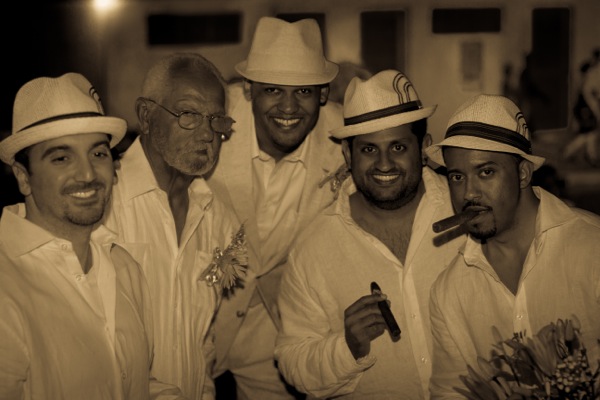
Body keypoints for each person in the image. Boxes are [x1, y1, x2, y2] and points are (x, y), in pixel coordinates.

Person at [274, 70, 466, 399]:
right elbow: (293, 362)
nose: (384, 164)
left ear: (424, 148)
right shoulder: (313, 249)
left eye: (398, 146)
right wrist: (348, 346)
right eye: (368, 150)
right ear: (348, 155)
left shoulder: (466, 215)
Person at [0, 72, 186, 398]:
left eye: (98, 154)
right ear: (23, 177)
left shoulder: (124, 267)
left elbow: (135, 382)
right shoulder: (7, 284)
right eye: (61, 158)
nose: (87, 174)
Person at [424, 94, 600, 398]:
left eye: (486, 172)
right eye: (457, 176)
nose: (469, 193)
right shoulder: (449, 293)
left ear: (523, 173)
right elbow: (449, 392)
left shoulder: (592, 248)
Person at [205, 16, 345, 400]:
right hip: (196, 310)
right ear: (248, 90)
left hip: (272, 323)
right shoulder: (211, 121)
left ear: (323, 94)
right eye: (272, 90)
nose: (288, 107)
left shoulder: (344, 138)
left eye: (304, 91)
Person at [103, 53, 244, 400]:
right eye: (188, 115)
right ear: (146, 116)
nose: (207, 134)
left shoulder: (218, 218)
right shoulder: (104, 204)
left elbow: (202, 342)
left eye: (216, 120)